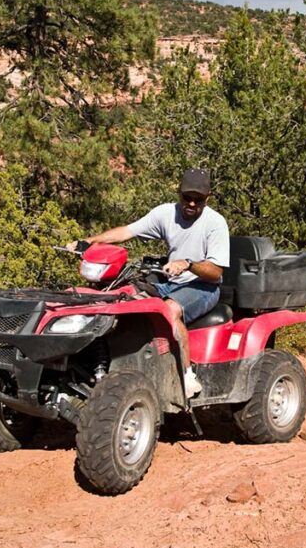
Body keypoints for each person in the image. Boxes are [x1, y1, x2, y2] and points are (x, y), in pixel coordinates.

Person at [68, 168, 229, 398]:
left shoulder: (216, 223)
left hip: (202, 286)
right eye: (187, 197)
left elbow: (215, 272)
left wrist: (189, 264)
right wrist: (88, 241)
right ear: (178, 192)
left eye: (198, 199)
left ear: (208, 197)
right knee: (121, 299)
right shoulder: (165, 213)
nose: (192, 204)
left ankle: (187, 376)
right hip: (168, 281)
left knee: (170, 310)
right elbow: (126, 231)